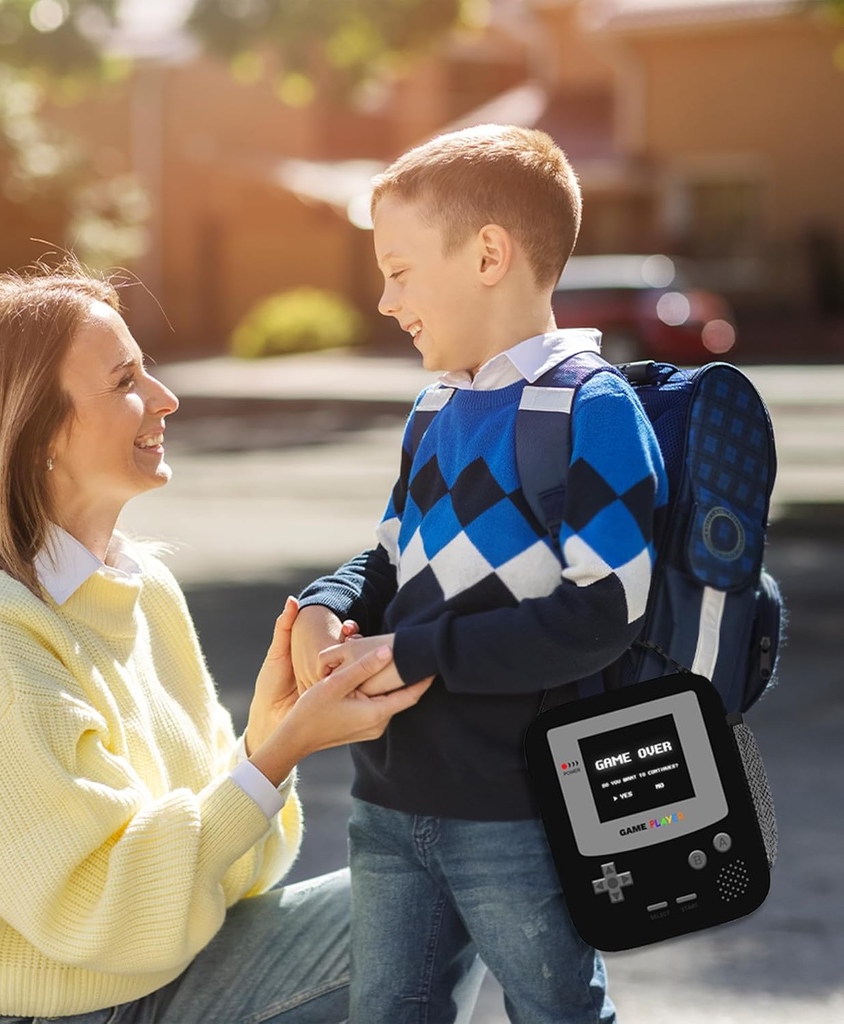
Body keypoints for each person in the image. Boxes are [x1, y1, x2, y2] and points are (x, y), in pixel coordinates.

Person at [0, 264, 432, 1024]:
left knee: (438, 891)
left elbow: (231, 882)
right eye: (125, 380)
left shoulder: (142, 588)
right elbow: (97, 914)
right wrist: (275, 757)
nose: (166, 397)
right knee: (422, 908)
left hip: (148, 984)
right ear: (35, 432)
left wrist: (262, 742)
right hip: (22, 1015)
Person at [290, 124, 669, 1024]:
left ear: (490, 256)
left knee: (556, 1012)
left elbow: (602, 612)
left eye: (400, 271)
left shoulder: (592, 408)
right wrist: (327, 602)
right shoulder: (434, 410)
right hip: (389, 800)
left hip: (518, 810)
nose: (385, 300)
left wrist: (411, 652)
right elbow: (390, 556)